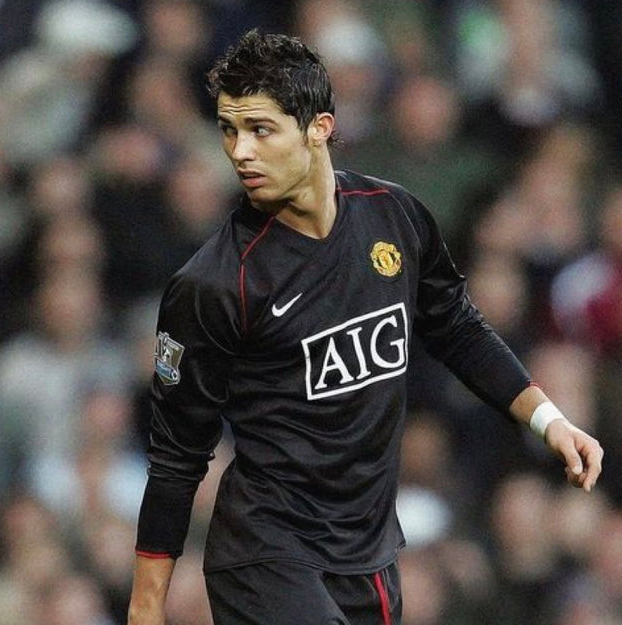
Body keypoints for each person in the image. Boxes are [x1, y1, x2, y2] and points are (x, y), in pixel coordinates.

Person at [127, 30, 603, 625]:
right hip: (267, 555)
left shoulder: (393, 215)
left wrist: (549, 421)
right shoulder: (216, 283)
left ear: (318, 128)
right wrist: (146, 605)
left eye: (260, 129)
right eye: (229, 129)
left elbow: (457, 326)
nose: (240, 151)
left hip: (368, 553)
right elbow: (177, 454)